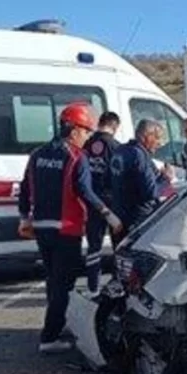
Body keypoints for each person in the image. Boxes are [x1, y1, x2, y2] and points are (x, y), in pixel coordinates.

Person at [18, 102, 122, 354]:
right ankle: (50, 337)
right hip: (67, 230)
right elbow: (85, 192)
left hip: (42, 229)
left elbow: (24, 189)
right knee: (64, 284)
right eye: (86, 131)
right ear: (74, 129)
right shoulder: (77, 157)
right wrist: (109, 215)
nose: (88, 137)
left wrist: (24, 218)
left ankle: (56, 322)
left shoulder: (37, 155)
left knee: (53, 279)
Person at [82, 111, 122, 294]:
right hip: (112, 202)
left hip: (91, 201)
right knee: (119, 245)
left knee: (94, 246)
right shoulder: (116, 147)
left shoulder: (86, 144)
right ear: (115, 126)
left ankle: (92, 285)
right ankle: (119, 282)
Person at [110, 119, 172, 234]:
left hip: (119, 216)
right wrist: (166, 178)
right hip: (138, 219)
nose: (160, 143)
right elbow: (151, 192)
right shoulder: (139, 155)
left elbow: (108, 181)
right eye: (157, 138)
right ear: (145, 136)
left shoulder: (120, 150)